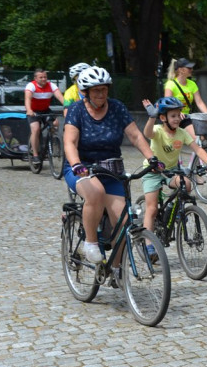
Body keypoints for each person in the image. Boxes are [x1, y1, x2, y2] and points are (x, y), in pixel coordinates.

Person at [63, 66, 160, 265]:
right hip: (82, 169)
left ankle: (116, 270)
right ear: (86, 92)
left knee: (124, 222)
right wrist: (76, 164)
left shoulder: (116, 107)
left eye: (104, 89)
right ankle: (90, 243)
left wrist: (152, 158)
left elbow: (135, 135)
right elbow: (69, 142)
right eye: (96, 90)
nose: (101, 94)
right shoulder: (76, 110)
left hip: (110, 171)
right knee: (95, 192)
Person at [139, 96, 207, 260]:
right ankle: (148, 245)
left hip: (172, 171)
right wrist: (151, 117)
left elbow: (197, 148)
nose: (177, 118)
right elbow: (147, 133)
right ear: (163, 118)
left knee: (187, 184)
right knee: (152, 209)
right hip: (153, 171)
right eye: (173, 116)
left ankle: (173, 212)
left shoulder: (182, 133)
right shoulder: (159, 131)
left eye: (178, 114)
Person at [163, 57, 207, 140]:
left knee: (199, 140)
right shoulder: (170, 84)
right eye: (189, 68)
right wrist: (177, 112)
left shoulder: (192, 84)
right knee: (173, 144)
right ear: (181, 70)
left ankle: (196, 152)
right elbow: (167, 103)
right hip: (172, 118)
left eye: (191, 68)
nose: (191, 69)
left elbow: (199, 102)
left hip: (186, 118)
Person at [25, 68, 64, 164]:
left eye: (45, 77)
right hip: (33, 111)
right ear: (35, 78)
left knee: (55, 123)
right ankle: (35, 155)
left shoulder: (51, 85)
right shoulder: (31, 85)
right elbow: (27, 99)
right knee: (36, 129)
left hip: (45, 110)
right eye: (41, 77)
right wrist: (29, 110)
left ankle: (51, 140)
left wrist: (67, 106)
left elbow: (60, 97)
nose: (43, 79)